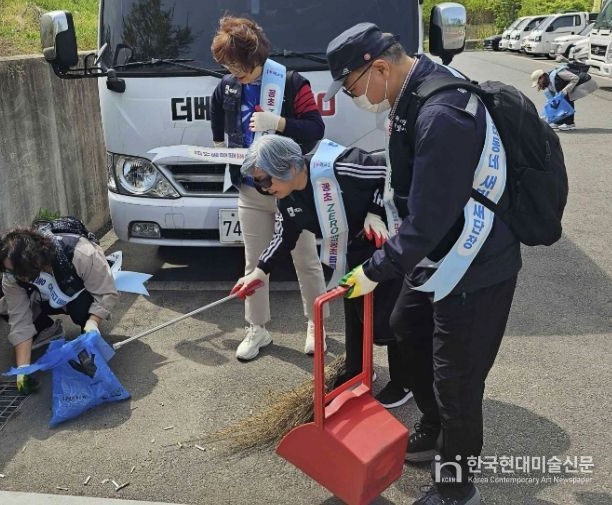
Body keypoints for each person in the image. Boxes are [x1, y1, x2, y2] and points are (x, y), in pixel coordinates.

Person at [325, 24, 521, 505]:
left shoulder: (442, 114)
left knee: (458, 382)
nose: (353, 98)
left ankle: (457, 489)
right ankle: (434, 426)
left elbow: (429, 221)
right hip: (438, 254)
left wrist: (373, 270)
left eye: (351, 88)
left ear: (379, 68)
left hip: (475, 262)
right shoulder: (411, 92)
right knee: (407, 325)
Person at [231, 134, 413, 409]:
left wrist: (375, 210)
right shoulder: (287, 197)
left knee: (389, 317)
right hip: (353, 248)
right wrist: (260, 271)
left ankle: (405, 380)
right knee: (354, 307)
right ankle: (357, 369)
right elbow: (284, 235)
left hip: (385, 239)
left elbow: (390, 171)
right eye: (258, 183)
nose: (264, 189)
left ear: (291, 167)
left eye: (265, 180)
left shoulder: (340, 167)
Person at [210, 16, 327, 360]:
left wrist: (279, 123)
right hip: (250, 189)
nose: (233, 72)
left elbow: (315, 129)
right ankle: (257, 328)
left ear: (255, 56)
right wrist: (218, 145)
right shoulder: (228, 86)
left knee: (305, 258)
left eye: (237, 65)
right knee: (254, 261)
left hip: (290, 188)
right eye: (227, 65)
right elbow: (216, 112)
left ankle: (316, 323)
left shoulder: (290, 82)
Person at [0, 225, 118, 393]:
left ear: (35, 262)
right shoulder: (12, 276)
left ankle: (87, 334)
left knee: (82, 310)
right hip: (45, 297)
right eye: (10, 271)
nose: (15, 276)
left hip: (75, 292)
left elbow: (105, 292)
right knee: (0, 300)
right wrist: (23, 368)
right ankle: (46, 330)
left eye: (18, 271)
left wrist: (93, 322)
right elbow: (19, 319)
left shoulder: (81, 253)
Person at [530, 65, 597, 131]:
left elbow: (575, 78)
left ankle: (570, 124)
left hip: (585, 82)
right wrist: (546, 114)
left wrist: (565, 90)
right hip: (576, 84)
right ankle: (559, 122)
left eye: (538, 82)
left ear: (542, 77)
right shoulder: (548, 82)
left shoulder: (559, 73)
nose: (539, 84)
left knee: (566, 98)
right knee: (560, 100)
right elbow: (553, 100)